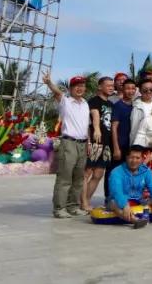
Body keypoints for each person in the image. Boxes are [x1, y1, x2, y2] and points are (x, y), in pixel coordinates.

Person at [44, 73, 90, 218]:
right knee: (65, 177)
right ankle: (59, 208)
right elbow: (57, 92)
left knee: (78, 178)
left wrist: (88, 143)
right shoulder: (66, 101)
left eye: (82, 86)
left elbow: (86, 126)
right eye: (76, 86)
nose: (79, 88)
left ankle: (73, 206)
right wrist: (49, 83)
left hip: (83, 143)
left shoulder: (85, 104)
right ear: (70, 89)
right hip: (69, 143)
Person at [83, 76, 114, 211]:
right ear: (100, 87)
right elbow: (95, 114)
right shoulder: (93, 101)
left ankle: (86, 201)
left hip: (107, 143)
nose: (111, 88)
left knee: (98, 174)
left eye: (112, 85)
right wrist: (96, 129)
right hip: (95, 141)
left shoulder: (111, 104)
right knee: (87, 173)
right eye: (108, 85)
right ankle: (83, 202)